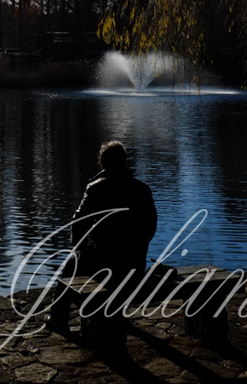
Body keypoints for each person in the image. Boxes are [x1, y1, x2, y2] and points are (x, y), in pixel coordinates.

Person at [71, 140, 157, 357]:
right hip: (134, 264)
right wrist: (138, 248)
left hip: (106, 265)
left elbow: (78, 223)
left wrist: (79, 249)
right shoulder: (142, 189)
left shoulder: (96, 188)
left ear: (103, 163)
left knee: (72, 264)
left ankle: (57, 316)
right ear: (124, 162)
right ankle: (112, 317)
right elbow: (151, 227)